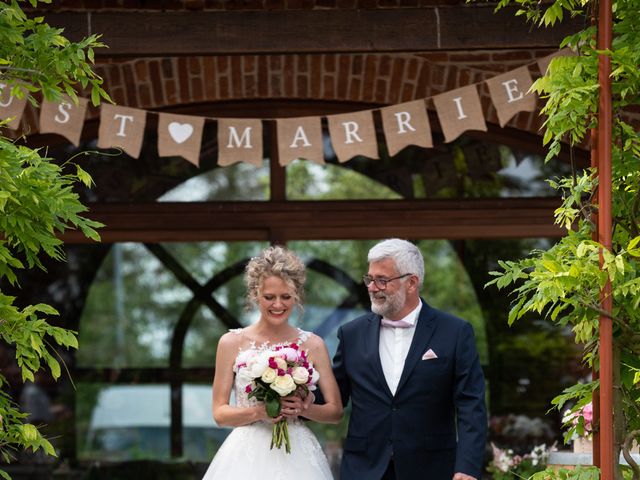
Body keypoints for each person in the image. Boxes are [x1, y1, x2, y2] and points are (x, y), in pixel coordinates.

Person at [333, 238, 487, 480]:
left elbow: (471, 405)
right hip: (364, 469)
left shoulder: (455, 332)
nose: (372, 287)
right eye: (369, 279)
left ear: (412, 282)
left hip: (432, 469)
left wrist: (466, 467)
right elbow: (334, 397)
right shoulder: (351, 333)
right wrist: (291, 386)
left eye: (382, 280)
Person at [202, 245, 343, 479]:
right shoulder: (230, 342)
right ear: (255, 295)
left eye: (286, 297)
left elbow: (335, 412)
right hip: (245, 454)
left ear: (296, 295)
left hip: (298, 453)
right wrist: (260, 412)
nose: (278, 305)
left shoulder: (314, 344)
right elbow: (220, 413)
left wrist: (303, 407)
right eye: (269, 297)